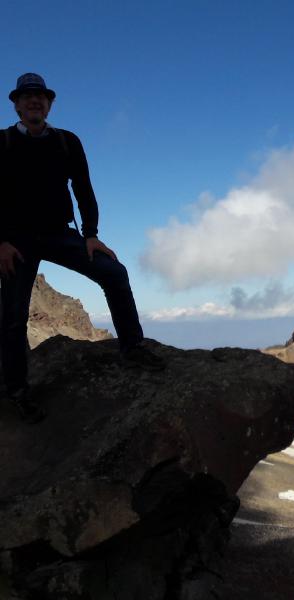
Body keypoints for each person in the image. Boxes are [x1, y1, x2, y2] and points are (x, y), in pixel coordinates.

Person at [0, 73, 164, 424]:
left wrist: (91, 234)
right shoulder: (2, 143)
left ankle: (133, 347)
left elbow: (83, 188)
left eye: (40, 96)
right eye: (27, 96)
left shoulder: (66, 142)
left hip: (61, 234)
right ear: (15, 103)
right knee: (13, 318)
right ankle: (16, 390)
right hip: (17, 241)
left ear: (49, 103)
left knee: (114, 273)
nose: (34, 101)